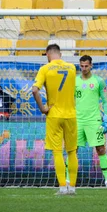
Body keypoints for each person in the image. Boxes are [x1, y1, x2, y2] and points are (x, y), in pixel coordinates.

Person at [32, 44, 79, 196]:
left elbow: (34, 90)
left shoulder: (45, 69)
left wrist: (42, 108)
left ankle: (62, 188)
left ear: (47, 54)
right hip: (71, 114)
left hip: (54, 114)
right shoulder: (72, 68)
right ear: (60, 53)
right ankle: (72, 187)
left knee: (57, 151)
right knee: (72, 152)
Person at [66, 55, 107, 188]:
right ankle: (68, 181)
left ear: (91, 65)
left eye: (86, 66)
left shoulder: (99, 81)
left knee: (101, 149)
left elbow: (105, 102)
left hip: (94, 121)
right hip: (78, 121)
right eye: (82, 66)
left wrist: (106, 118)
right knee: (72, 150)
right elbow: (70, 101)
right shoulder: (74, 81)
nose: (84, 68)